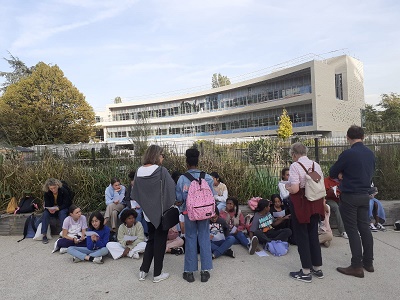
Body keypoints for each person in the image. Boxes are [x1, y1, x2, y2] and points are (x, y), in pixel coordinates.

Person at [330, 125, 375, 278]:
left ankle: (356, 265)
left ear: (348, 137)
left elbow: (332, 172)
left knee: (352, 230)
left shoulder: (348, 153)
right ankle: (368, 262)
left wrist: (342, 174)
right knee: (364, 228)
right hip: (364, 195)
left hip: (350, 195)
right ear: (363, 137)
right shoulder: (370, 154)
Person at [132, 145, 176, 283]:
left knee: (151, 240)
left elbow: (135, 193)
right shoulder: (161, 171)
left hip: (147, 213)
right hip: (161, 213)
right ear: (157, 155)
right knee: (160, 242)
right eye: (162, 155)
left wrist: (146, 205)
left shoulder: (138, 171)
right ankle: (157, 274)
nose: (163, 158)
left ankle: (143, 271)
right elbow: (171, 189)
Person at [285, 142, 325, 283]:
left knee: (302, 236)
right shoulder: (315, 165)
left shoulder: (295, 166)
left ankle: (306, 271)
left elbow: (295, 189)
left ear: (294, 154)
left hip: (302, 204)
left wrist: (288, 187)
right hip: (316, 202)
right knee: (313, 234)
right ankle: (317, 267)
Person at [176, 148, 215, 283]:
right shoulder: (208, 177)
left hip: (189, 213)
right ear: (198, 161)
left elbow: (179, 198)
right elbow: (212, 196)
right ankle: (205, 272)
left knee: (190, 238)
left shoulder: (182, 179)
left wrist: (182, 207)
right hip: (205, 213)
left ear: (186, 162)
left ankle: (189, 272)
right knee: (204, 238)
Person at [41, 178, 72, 244]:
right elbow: (47, 204)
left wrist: (58, 208)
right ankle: (44, 235)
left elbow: (67, 203)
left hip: (62, 208)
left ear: (58, 185)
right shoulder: (47, 193)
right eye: (51, 188)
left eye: (54, 188)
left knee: (62, 213)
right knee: (45, 214)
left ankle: (63, 233)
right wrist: (49, 209)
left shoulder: (63, 190)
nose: (53, 190)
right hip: (52, 209)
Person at [121, 170, 148, 236]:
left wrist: (140, 204)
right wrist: (131, 206)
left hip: (141, 206)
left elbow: (145, 199)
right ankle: (126, 231)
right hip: (131, 205)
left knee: (137, 214)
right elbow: (127, 199)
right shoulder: (129, 187)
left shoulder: (143, 188)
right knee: (121, 215)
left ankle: (137, 232)